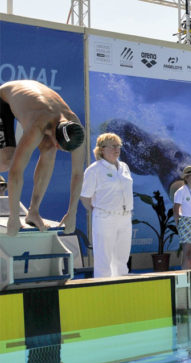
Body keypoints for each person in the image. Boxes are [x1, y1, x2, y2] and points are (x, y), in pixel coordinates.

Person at [0, 80, 86, 236]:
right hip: (3, 98)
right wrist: (13, 217)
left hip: (36, 102)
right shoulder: (38, 124)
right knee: (6, 161)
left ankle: (33, 212)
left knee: (48, 148)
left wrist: (72, 213)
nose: (58, 149)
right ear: (54, 132)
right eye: (59, 145)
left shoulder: (76, 128)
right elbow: (15, 172)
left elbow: (78, 174)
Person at [80, 133, 133, 278]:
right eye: (113, 146)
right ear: (102, 149)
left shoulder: (124, 167)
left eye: (118, 146)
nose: (117, 149)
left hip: (125, 216)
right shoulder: (94, 169)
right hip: (105, 217)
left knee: (122, 258)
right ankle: (103, 290)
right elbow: (85, 196)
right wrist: (98, 211)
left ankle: (122, 288)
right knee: (104, 258)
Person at [173, 165, 191, 270]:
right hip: (186, 221)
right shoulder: (181, 191)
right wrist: (178, 225)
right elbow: (176, 209)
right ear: (186, 178)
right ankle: (185, 275)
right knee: (187, 252)